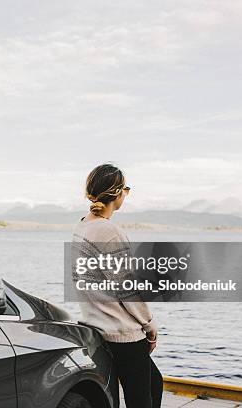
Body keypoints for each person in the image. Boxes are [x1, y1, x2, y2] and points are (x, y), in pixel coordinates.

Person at [72, 163, 163, 408]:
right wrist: (149, 325)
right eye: (126, 189)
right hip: (122, 334)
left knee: (155, 383)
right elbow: (127, 289)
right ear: (117, 193)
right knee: (141, 400)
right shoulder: (108, 231)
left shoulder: (83, 225)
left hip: (98, 325)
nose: (126, 194)